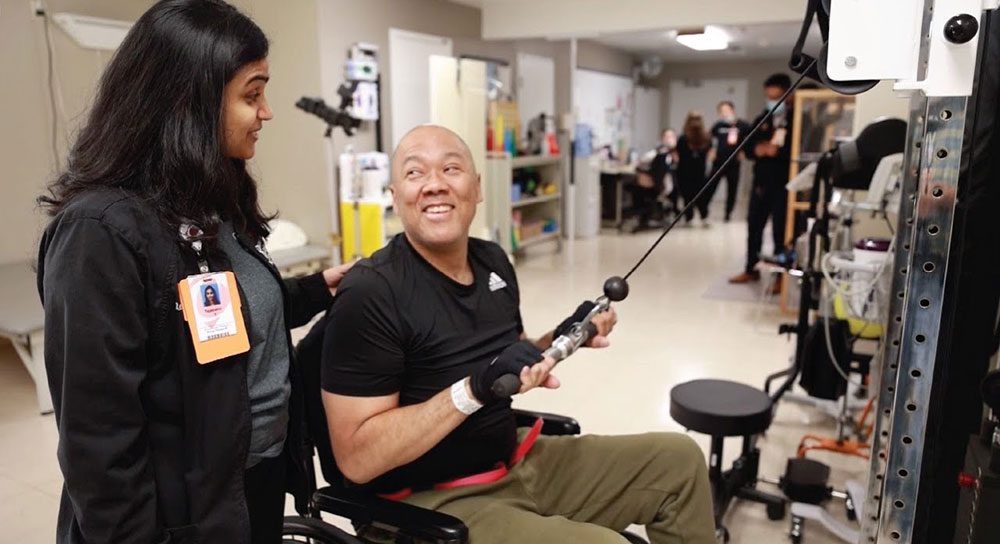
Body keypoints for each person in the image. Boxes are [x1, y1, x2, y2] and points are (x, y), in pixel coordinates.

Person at [36, 2, 352, 543]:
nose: (266, 112)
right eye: (252, 94)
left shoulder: (206, 200)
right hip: (179, 513)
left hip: (245, 482)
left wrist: (314, 290)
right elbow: (99, 449)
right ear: (190, 101)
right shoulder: (101, 234)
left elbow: (216, 319)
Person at [321, 125, 715, 544]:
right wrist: (471, 390)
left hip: (515, 459)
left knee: (679, 461)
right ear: (395, 197)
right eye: (415, 174)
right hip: (430, 501)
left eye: (451, 168)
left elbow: (512, 356)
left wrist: (565, 335)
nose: (435, 185)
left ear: (477, 188)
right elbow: (357, 459)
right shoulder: (371, 292)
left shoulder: (493, 261)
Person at [730, 73, 794, 285]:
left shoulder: (797, 120)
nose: (772, 101)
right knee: (754, 226)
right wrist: (759, 149)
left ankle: (780, 276)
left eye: (776, 97)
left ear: (788, 95)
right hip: (761, 183)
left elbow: (801, 149)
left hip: (785, 184)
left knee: (780, 232)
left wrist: (778, 152)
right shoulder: (762, 119)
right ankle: (751, 268)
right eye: (768, 97)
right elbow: (747, 146)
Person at [708, 101, 751, 222]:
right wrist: (711, 150)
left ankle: (728, 214)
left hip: (733, 163)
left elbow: (750, 139)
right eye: (721, 111)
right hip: (718, 162)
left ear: (732, 110)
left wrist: (743, 151)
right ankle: (704, 210)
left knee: (732, 189)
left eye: (726, 110)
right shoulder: (718, 125)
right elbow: (709, 138)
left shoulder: (742, 125)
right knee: (710, 186)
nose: (724, 113)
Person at [672, 112, 715, 227]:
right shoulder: (682, 138)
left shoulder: (706, 138)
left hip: (700, 172)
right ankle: (689, 217)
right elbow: (677, 155)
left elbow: (710, 153)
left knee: (702, 196)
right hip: (684, 172)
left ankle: (704, 216)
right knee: (687, 196)